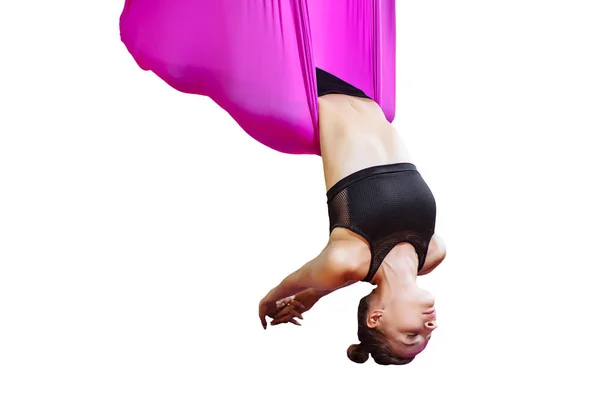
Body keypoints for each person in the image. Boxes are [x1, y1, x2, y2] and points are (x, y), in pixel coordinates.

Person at [258, 68, 447, 365]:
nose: (430, 328)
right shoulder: (432, 253)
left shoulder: (348, 257)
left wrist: (270, 300)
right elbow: (351, 277)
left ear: (376, 318)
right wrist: (315, 294)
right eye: (428, 337)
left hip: (303, 84)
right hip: (357, 84)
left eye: (411, 336)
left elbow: (303, 280)